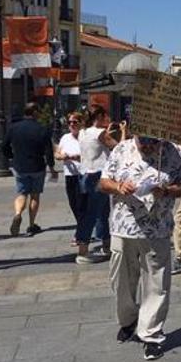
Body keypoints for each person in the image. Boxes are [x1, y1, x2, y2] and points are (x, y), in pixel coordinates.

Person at [99, 133, 181, 360]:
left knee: (156, 282)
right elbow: (103, 182)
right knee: (121, 279)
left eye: (153, 142)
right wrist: (119, 186)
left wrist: (166, 190)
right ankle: (128, 320)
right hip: (123, 226)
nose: (148, 146)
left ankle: (151, 333)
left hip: (157, 228)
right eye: (143, 142)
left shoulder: (171, 151)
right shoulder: (121, 149)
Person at [3, 102, 57, 237]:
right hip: (37, 166)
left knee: (22, 193)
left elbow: (4, 146)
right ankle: (32, 224)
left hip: (20, 166)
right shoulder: (42, 128)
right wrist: (51, 166)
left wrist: (12, 157)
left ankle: (17, 214)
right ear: (35, 113)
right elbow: (48, 150)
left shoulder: (14, 128)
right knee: (35, 195)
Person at [79, 105, 118, 255]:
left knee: (101, 211)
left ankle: (106, 244)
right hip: (98, 174)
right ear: (100, 117)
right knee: (94, 212)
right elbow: (117, 147)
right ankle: (83, 248)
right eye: (106, 115)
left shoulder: (83, 132)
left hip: (85, 174)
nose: (108, 118)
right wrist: (122, 134)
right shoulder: (100, 133)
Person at [55, 112, 92, 261]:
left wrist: (77, 157)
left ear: (82, 123)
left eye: (75, 122)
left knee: (83, 206)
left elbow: (93, 155)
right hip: (70, 175)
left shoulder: (86, 137)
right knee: (74, 205)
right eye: (70, 122)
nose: (72, 125)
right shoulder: (65, 138)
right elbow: (57, 154)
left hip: (84, 174)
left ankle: (81, 235)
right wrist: (62, 157)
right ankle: (82, 230)